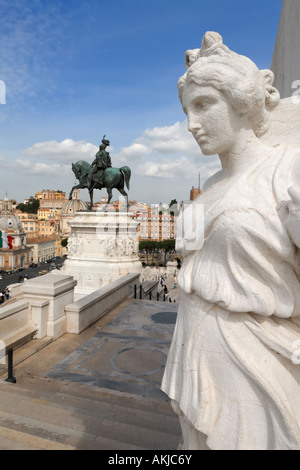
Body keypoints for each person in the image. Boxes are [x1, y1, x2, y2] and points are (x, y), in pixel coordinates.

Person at [161, 31, 300, 450]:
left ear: (242, 101)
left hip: (256, 358)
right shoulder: (213, 187)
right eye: (187, 110)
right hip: (192, 346)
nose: (191, 124)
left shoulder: (287, 169)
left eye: (204, 105)